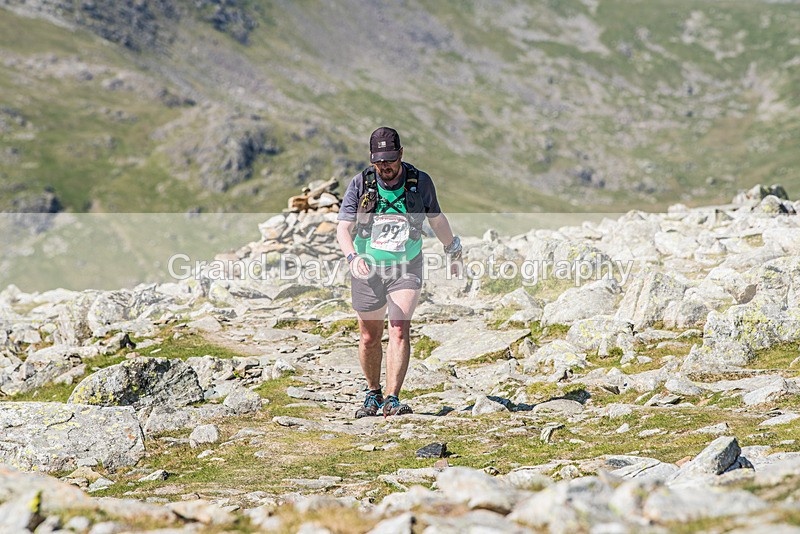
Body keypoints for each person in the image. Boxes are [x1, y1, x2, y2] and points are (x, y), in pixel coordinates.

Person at [336, 127, 462, 418]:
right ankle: (373, 393)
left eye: (390, 160)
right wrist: (352, 257)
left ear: (401, 154)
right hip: (366, 268)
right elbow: (343, 227)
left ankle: (392, 398)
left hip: (407, 265)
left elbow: (436, 217)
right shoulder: (361, 184)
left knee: (399, 327)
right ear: (372, 160)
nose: (386, 167)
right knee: (369, 336)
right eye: (379, 162)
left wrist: (453, 250)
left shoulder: (420, 182)